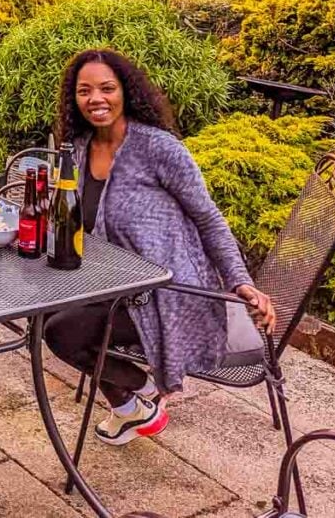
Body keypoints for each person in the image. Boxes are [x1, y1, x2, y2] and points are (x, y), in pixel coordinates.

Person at [44, 49, 276, 447]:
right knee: (38, 309)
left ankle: (137, 399)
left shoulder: (158, 148)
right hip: (113, 283)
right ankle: (136, 400)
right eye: (84, 91)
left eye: (106, 88)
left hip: (171, 293)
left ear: (126, 92)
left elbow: (209, 218)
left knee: (63, 333)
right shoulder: (80, 147)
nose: (95, 99)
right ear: (74, 99)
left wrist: (240, 282)